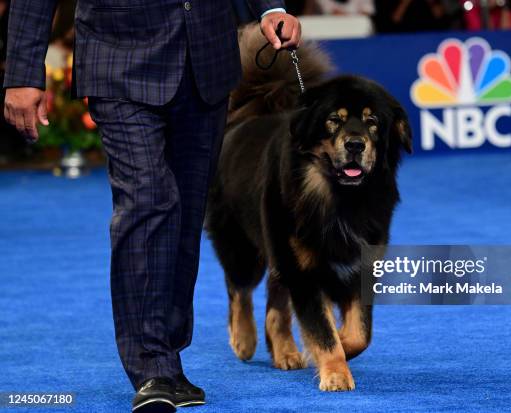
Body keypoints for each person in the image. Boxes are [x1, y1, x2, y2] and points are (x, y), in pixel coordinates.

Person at [2, 1, 300, 412]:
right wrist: (22, 72)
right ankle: (151, 366)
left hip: (206, 62)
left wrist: (271, 7)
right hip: (119, 61)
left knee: (186, 213)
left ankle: (165, 352)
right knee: (148, 200)